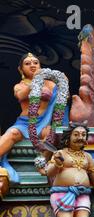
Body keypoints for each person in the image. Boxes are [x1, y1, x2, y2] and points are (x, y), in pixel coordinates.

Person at [0, 53, 68, 183]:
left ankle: (43, 166)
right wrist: (35, 83)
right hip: (24, 123)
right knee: (11, 133)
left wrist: (63, 81)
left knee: (52, 134)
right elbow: (20, 95)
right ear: (21, 69)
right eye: (27, 63)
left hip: (44, 123)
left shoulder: (51, 84)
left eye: (35, 62)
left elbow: (63, 99)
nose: (32, 65)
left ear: (40, 66)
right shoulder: (20, 86)